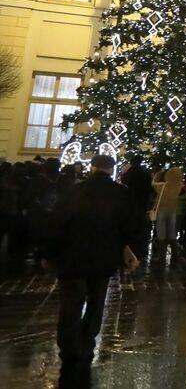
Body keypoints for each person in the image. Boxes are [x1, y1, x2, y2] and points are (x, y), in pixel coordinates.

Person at [41, 154, 142, 383]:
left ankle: (68, 347)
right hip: (104, 258)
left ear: (93, 167)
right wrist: (129, 252)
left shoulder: (75, 191)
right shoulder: (121, 194)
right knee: (96, 302)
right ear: (111, 169)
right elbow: (131, 226)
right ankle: (87, 342)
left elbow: (57, 224)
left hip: (73, 257)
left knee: (70, 305)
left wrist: (48, 253)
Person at [119, 155, 154, 261]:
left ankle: (130, 249)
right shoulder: (145, 173)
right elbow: (149, 188)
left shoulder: (128, 174)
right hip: (142, 203)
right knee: (141, 227)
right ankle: (140, 250)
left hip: (129, 203)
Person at [151, 166, 184, 259]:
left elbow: (153, 183)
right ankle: (175, 254)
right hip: (173, 210)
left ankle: (162, 255)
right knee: (172, 232)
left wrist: (158, 174)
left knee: (161, 232)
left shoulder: (163, 186)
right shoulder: (179, 185)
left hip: (161, 210)